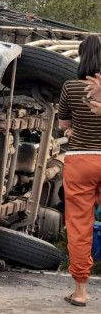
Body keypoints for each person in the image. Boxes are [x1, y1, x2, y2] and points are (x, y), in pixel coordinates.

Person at [57, 35, 101, 307]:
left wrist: (71, 129)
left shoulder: (70, 87)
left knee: (79, 226)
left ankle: (81, 292)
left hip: (81, 160)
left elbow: (64, 124)